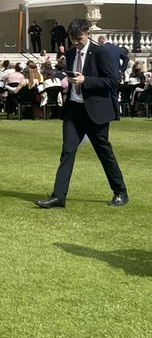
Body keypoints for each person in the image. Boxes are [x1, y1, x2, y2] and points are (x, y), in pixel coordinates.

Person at [37, 18, 128, 209]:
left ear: (88, 34)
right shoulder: (70, 54)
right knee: (67, 151)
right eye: (72, 39)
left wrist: (86, 80)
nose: (75, 42)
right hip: (74, 109)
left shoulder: (100, 52)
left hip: (96, 111)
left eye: (78, 38)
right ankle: (58, 196)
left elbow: (112, 81)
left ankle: (120, 191)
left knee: (104, 153)